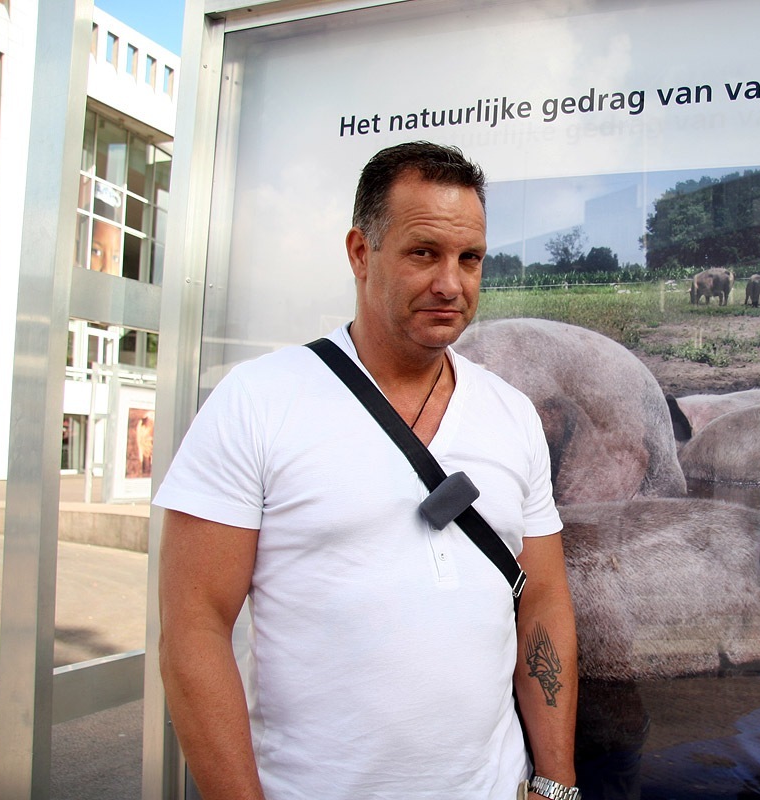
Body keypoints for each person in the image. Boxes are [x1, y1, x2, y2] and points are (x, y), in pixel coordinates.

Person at [157, 141, 579, 800]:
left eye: (469, 258)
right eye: (423, 253)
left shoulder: (512, 414)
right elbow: (195, 628)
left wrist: (557, 785)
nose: (451, 283)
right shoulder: (259, 400)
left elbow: (544, 600)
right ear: (360, 252)